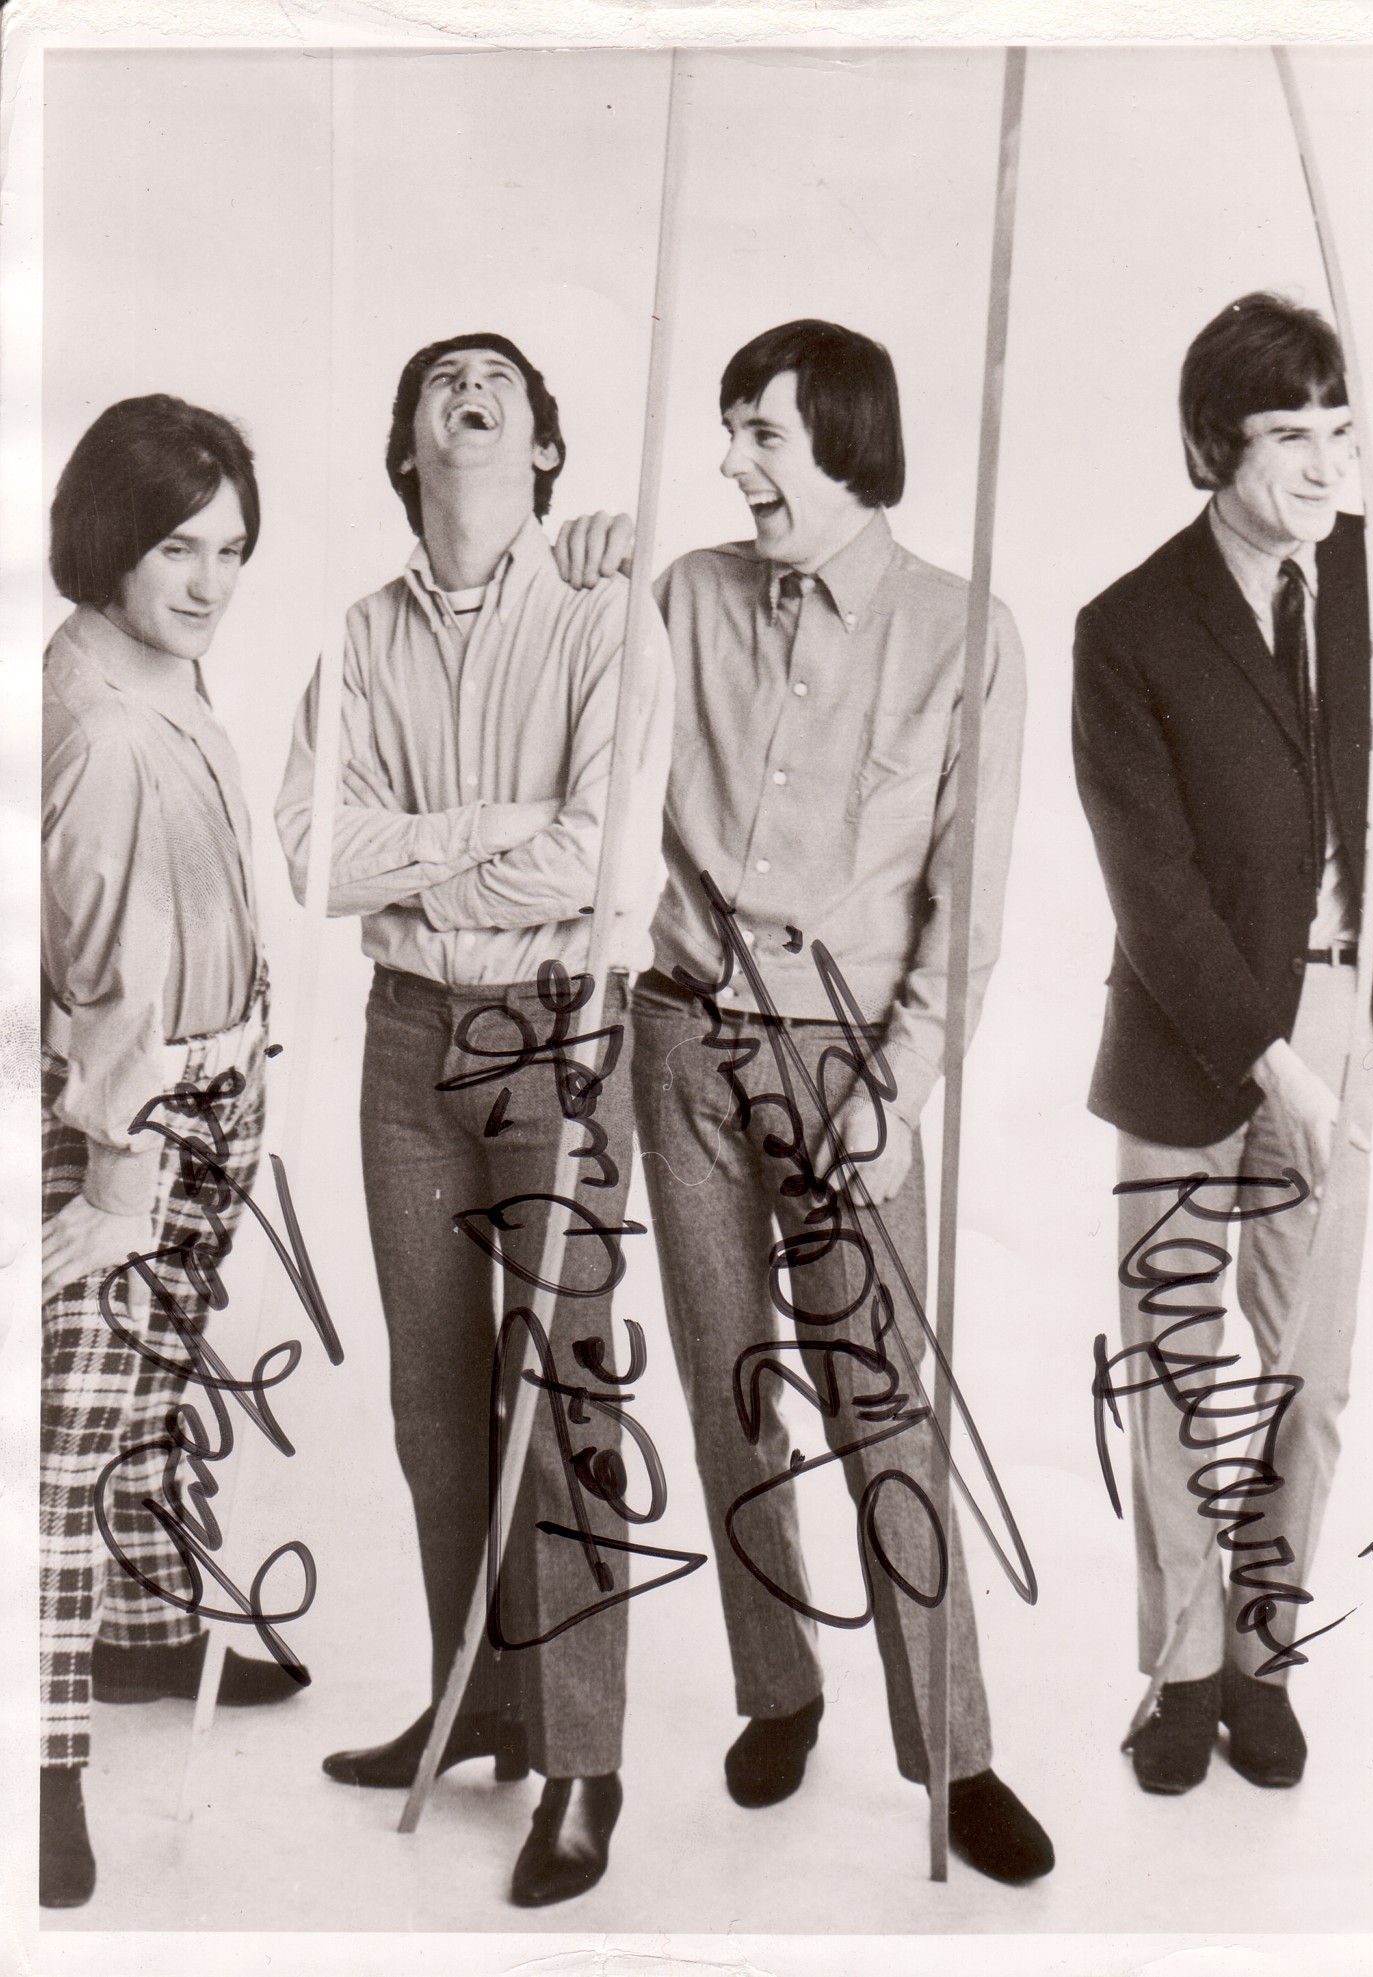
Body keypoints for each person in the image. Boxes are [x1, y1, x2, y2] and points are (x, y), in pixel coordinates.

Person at [556, 318, 1054, 1884]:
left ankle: (952, 1751)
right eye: (725, 430)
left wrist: (898, 1085)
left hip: (849, 1066)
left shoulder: (966, 632)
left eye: (759, 434)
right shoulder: (684, 596)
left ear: (844, 444)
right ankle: (778, 1688)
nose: (729, 464)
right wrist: (570, 589)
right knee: (726, 1389)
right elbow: (583, 754)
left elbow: (965, 910)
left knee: (880, 1404)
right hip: (679, 1038)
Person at [277, 332, 672, 1908]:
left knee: (560, 1399)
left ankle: (583, 1760)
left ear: (545, 449)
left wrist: (422, 855)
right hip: (404, 1044)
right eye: (440, 376)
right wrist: (498, 831)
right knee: (434, 1400)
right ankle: (477, 1700)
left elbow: (601, 857)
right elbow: (313, 850)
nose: (469, 383)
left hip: (556, 1034)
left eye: (498, 375)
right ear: (407, 447)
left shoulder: (603, 613)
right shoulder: (356, 635)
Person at [1072, 291, 1373, 1796]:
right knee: (1179, 1369)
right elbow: (1149, 889)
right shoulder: (1128, 625)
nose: (1323, 463)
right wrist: (1268, 1059)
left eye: (1338, 428)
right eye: (1287, 432)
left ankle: (1260, 1657)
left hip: (1343, 1016)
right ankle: (1176, 1677)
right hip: (1189, 1036)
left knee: (1308, 1371)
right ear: (1208, 444)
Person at [41, 395, 301, 1909]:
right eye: (178, 548)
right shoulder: (100, 721)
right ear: (110, 541)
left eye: (232, 549)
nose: (210, 581)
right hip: (129, 1118)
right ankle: (38, 1754)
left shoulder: (158, 669)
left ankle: (139, 1637)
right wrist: (120, 1172)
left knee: (152, 1390)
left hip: (208, 1089)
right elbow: (110, 970)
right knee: (66, 1438)